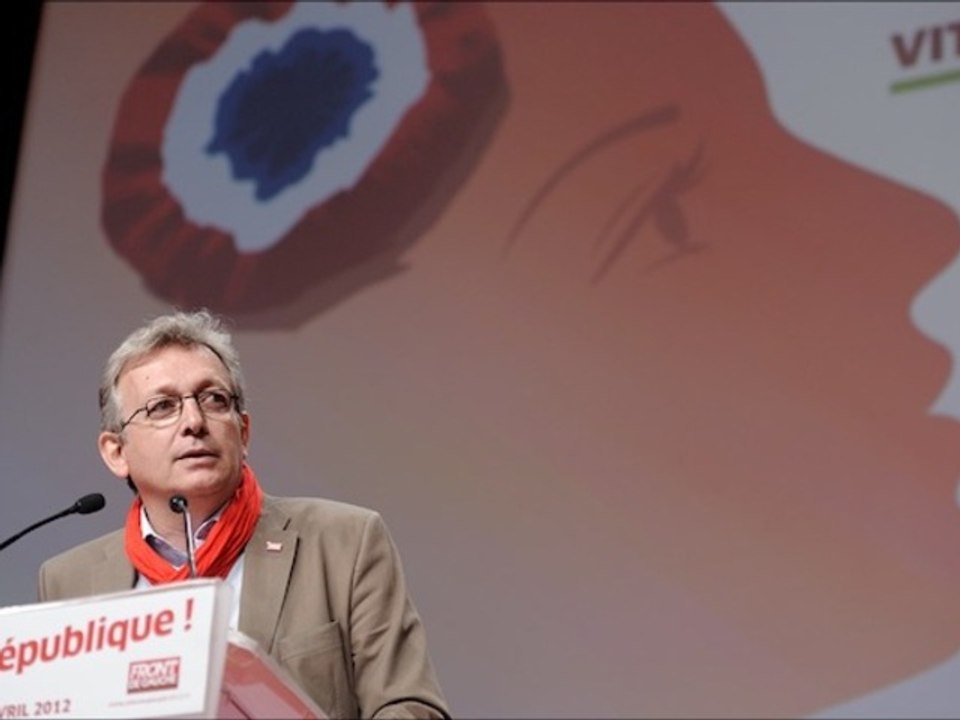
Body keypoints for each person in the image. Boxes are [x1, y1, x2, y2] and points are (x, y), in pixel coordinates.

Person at [36, 309, 449, 720]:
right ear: (116, 452)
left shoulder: (345, 542)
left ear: (244, 431)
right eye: (162, 407)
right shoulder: (68, 581)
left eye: (213, 399)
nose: (194, 422)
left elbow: (411, 708)